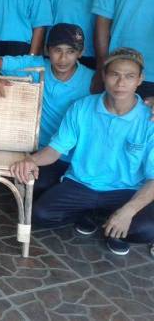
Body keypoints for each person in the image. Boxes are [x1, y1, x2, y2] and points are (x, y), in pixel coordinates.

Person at [10, 48, 154, 256]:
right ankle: (96, 217)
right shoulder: (82, 107)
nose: (121, 83)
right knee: (40, 214)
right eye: (114, 74)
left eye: (129, 76)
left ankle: (111, 220)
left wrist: (128, 211)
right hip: (81, 184)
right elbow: (55, 150)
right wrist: (31, 160)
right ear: (103, 75)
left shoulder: (149, 120)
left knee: (147, 229)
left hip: (125, 190)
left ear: (140, 79)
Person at [0, 23, 93, 198]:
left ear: (80, 53)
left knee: (41, 190)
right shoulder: (36, 66)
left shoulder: (92, 80)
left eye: (71, 51)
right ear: (47, 50)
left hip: (74, 157)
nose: (63, 58)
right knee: (24, 184)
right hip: (39, 151)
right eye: (57, 50)